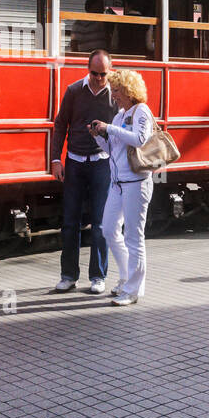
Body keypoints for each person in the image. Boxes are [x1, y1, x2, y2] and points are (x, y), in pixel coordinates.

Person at [49, 49, 118, 294]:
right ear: (87, 70)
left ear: (109, 71)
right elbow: (60, 124)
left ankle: (98, 276)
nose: (99, 78)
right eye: (94, 73)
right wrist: (56, 159)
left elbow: (124, 130)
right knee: (70, 222)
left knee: (100, 223)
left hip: (101, 162)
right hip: (75, 161)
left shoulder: (116, 95)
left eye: (103, 74)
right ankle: (68, 275)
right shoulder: (74, 91)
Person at [88, 69, 154, 307]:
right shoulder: (120, 115)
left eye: (116, 90)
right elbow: (112, 150)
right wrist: (98, 136)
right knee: (108, 230)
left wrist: (109, 128)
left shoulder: (141, 111)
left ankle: (133, 289)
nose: (113, 95)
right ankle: (127, 278)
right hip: (119, 183)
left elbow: (139, 139)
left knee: (134, 237)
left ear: (128, 91)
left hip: (137, 182)